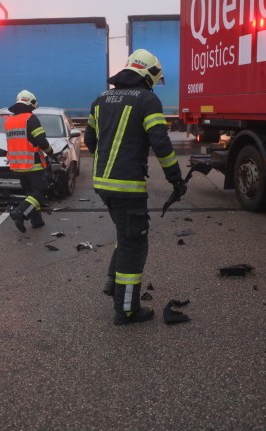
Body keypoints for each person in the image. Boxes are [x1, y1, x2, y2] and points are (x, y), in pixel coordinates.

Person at [84, 49, 187, 325]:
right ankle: (127, 309)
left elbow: (91, 141)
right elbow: (161, 143)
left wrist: (106, 165)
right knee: (135, 244)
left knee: (126, 234)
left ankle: (112, 282)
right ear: (149, 74)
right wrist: (176, 179)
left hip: (103, 184)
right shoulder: (147, 100)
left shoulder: (100, 99)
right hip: (127, 186)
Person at [6, 90, 55, 233]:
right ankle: (19, 213)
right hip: (32, 164)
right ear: (31, 104)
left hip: (16, 165)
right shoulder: (31, 119)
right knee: (41, 191)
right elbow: (41, 141)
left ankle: (37, 221)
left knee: (30, 194)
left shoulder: (9, 121)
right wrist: (51, 152)